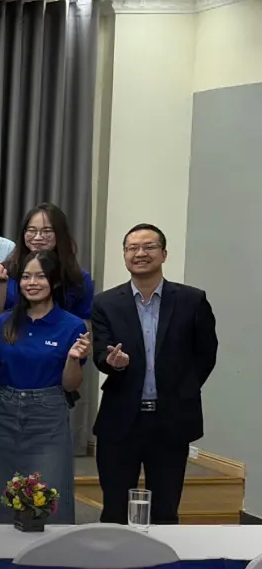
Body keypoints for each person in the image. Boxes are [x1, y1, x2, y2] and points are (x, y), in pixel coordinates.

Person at [91, 224, 218, 525]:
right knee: (115, 509)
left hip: (172, 419)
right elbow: (100, 354)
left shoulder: (191, 300)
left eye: (149, 246)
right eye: (132, 248)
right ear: (125, 255)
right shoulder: (106, 303)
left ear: (164, 254)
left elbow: (206, 353)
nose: (140, 253)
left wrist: (184, 390)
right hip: (121, 418)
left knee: (165, 510)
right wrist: (114, 363)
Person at [0, 250, 90, 524]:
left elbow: (71, 384)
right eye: (26, 277)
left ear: (54, 282)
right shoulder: (5, 321)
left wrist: (73, 359)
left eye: (40, 276)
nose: (32, 283)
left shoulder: (72, 326)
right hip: (3, 412)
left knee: (49, 494)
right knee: (0, 492)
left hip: (48, 414)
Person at [0, 203, 94, 320]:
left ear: (60, 234)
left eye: (47, 231)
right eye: (31, 230)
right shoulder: (4, 271)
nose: (38, 237)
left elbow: (85, 320)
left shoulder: (77, 277)